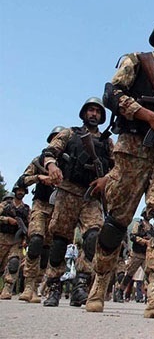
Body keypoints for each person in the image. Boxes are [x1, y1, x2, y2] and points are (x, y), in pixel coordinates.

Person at [85, 14, 154, 319]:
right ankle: (100, 280)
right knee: (116, 222)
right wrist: (147, 115)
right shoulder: (136, 61)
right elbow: (112, 94)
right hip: (132, 151)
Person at [41, 98, 114, 307]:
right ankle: (54, 286)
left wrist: (106, 179)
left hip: (91, 196)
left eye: (97, 111)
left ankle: (80, 284)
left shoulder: (107, 142)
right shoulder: (69, 133)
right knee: (59, 241)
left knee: (93, 236)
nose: (94, 114)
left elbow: (119, 166)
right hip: (67, 192)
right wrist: (52, 166)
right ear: (84, 113)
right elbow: (49, 152)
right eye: (90, 110)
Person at [16, 126, 65, 304]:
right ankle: (28, 285)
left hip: (58, 209)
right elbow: (22, 181)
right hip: (40, 205)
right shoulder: (39, 161)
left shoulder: (69, 161)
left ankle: (37, 286)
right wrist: (39, 178)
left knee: (47, 250)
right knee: (36, 240)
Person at [114, 208, 152, 302]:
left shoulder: (151, 227)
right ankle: (120, 291)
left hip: (146, 254)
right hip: (136, 254)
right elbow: (133, 236)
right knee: (129, 275)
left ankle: (150, 296)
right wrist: (144, 241)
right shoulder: (138, 224)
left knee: (150, 275)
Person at [0, 187, 30, 299]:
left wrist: (26, 239)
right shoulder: (4, 205)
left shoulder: (26, 209)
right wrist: (7, 220)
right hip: (2, 237)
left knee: (14, 263)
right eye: (19, 190)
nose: (20, 192)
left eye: (23, 191)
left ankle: (7, 289)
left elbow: (29, 226)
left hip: (16, 240)